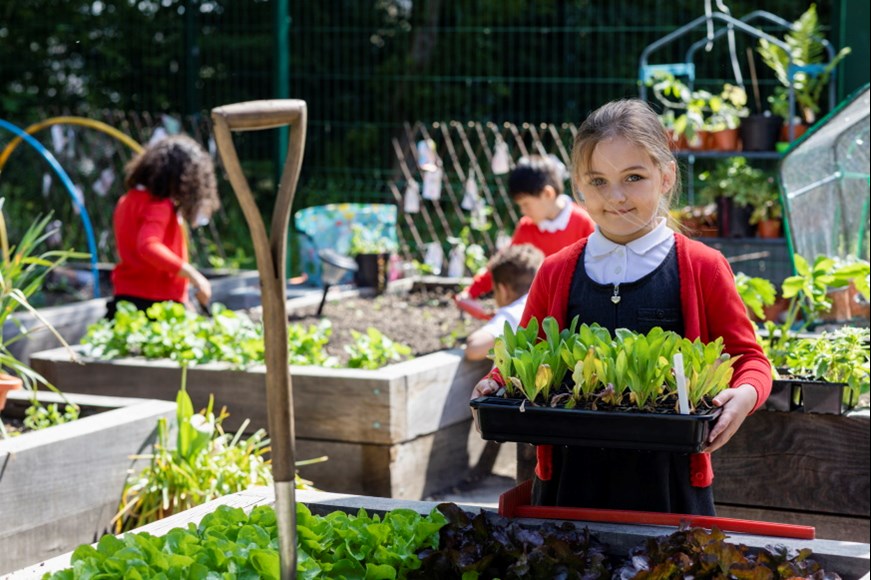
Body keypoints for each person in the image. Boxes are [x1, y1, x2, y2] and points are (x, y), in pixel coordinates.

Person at [471, 99, 771, 516]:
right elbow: (528, 357)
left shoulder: (701, 266)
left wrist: (746, 393)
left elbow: (750, 359)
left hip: (670, 483)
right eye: (598, 181)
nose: (615, 197)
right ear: (577, 185)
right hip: (568, 482)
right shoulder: (556, 271)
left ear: (666, 176)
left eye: (633, 177)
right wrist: (497, 382)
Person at [107, 134, 220, 319]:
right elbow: (148, 246)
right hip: (157, 304)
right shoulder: (159, 205)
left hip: (125, 298)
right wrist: (193, 275)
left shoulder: (126, 200)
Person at [457, 154, 595, 305]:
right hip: (539, 306)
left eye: (526, 204)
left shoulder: (584, 222)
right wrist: (470, 292)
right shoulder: (526, 227)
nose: (522, 210)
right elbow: (505, 265)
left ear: (547, 194)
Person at [464, 244, 544, 361]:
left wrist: (500, 317)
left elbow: (475, 348)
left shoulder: (515, 311)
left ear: (503, 290)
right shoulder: (543, 300)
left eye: (494, 291)